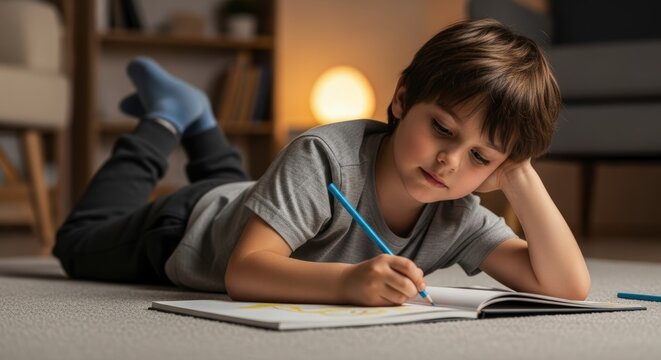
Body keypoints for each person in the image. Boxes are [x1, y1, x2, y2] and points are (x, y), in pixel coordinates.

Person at [53, 19, 591, 306]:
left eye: (480, 156)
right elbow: (244, 270)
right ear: (402, 98)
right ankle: (169, 119)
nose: (450, 161)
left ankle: (199, 119)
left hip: (248, 197)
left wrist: (519, 173)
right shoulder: (325, 156)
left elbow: (567, 286)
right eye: (442, 129)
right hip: (190, 228)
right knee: (77, 244)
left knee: (244, 190)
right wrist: (346, 284)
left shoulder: (458, 212)